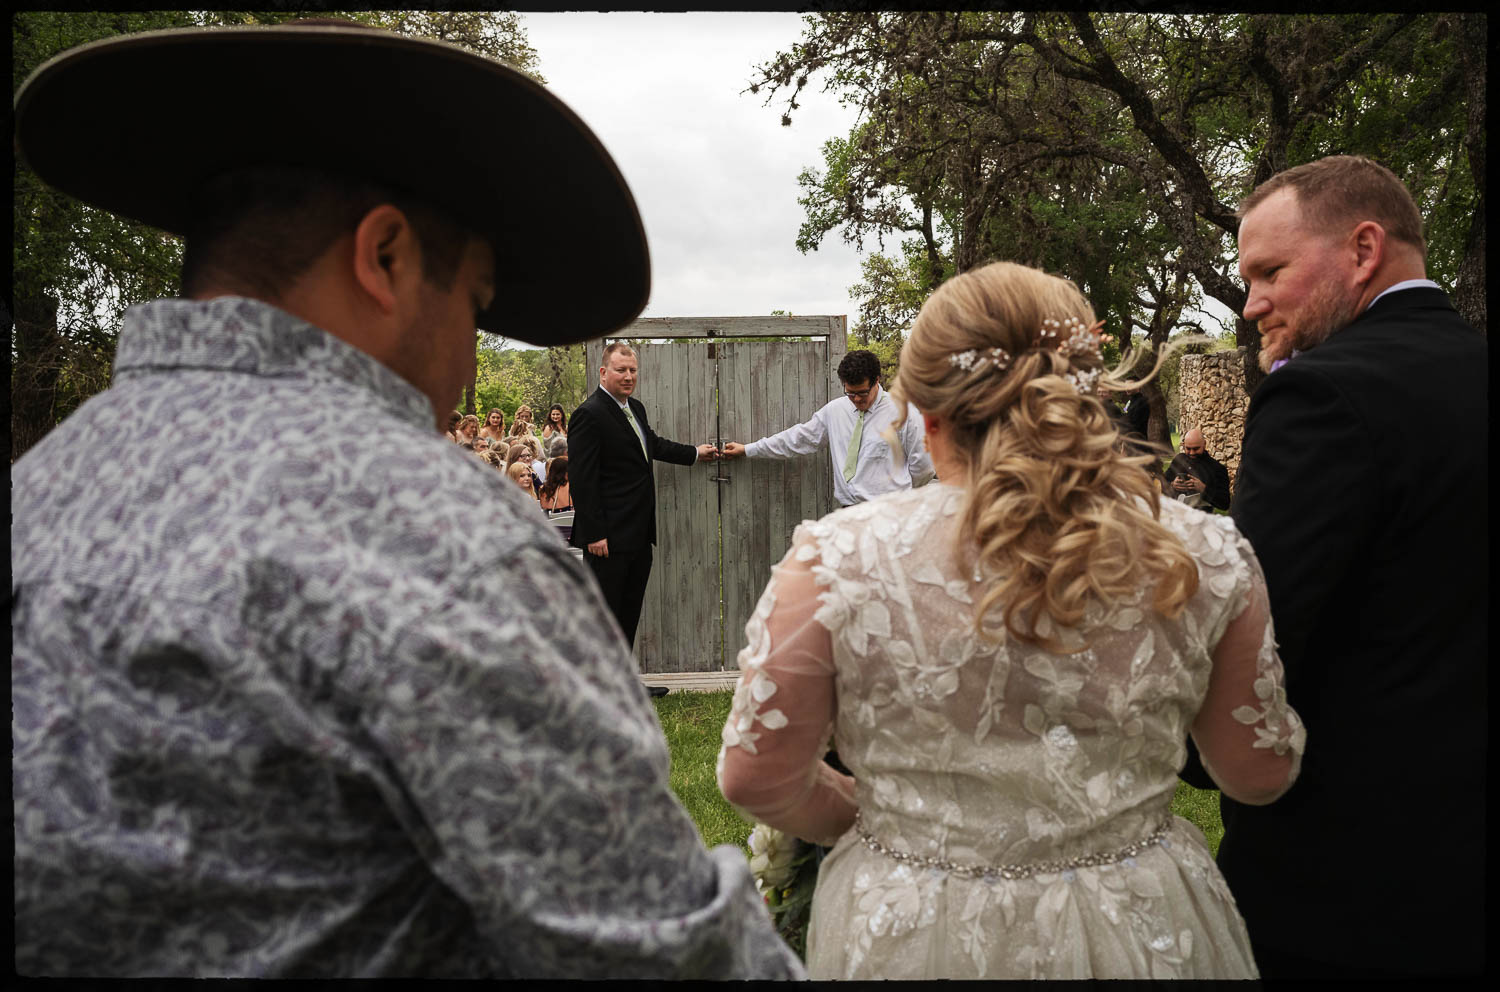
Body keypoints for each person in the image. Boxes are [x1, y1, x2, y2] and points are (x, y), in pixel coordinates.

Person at [10, 20, 803, 979]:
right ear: (383, 257)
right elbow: (668, 956)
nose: (470, 361)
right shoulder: (448, 544)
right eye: (472, 303)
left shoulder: (38, 492)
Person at [716, 260, 1304, 979]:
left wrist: (885, 823)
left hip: (913, 927)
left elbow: (757, 778)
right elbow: (1257, 773)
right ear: (1085, 397)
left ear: (926, 417)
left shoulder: (837, 556)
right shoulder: (1204, 550)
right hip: (1143, 920)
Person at [1179, 154, 1486, 978]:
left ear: (1362, 249)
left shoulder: (1324, 396)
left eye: (1270, 272)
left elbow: (1255, 632)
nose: (1252, 306)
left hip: (1350, 887)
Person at [568, 343, 719, 651]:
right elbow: (583, 481)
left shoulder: (634, 408)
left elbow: (653, 445)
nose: (628, 376)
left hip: (637, 534)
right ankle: (599, 689)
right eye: (621, 370)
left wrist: (694, 453)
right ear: (603, 371)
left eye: (632, 370)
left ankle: (624, 685)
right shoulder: (589, 414)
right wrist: (595, 533)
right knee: (604, 618)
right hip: (607, 540)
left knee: (628, 613)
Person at [720, 349, 934, 507]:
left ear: (877, 380)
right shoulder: (835, 411)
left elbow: (924, 467)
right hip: (848, 514)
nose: (856, 399)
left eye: (862, 392)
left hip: (891, 515)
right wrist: (749, 449)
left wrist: (901, 497)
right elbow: (798, 439)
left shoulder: (904, 413)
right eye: (850, 393)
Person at [1162, 429, 1231, 511]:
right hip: (1174, 515)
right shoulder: (1179, 459)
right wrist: (1173, 484)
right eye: (1188, 448)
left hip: (1201, 519)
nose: (1191, 453)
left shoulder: (1217, 468)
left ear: (1204, 444)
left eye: (1196, 449)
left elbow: (1225, 504)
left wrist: (1204, 489)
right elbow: (1161, 484)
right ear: (1184, 445)